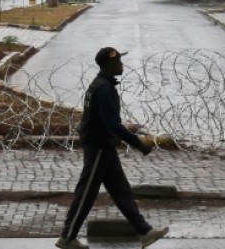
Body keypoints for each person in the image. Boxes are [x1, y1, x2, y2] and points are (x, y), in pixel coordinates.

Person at [56, 47, 169, 249]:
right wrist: (137, 143)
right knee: (87, 193)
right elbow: (112, 124)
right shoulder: (104, 89)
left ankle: (145, 232)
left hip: (104, 145)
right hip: (99, 146)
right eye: (118, 62)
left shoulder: (102, 85)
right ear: (109, 65)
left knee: (121, 191)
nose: (122, 65)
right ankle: (67, 237)